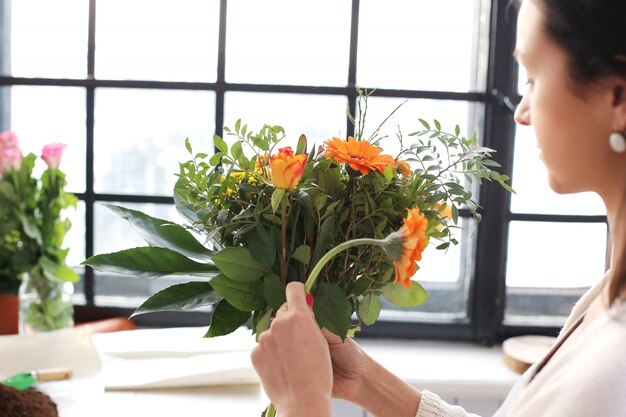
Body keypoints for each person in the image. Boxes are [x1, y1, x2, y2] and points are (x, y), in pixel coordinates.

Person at [250, 0, 626, 415]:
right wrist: (368, 383)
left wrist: (302, 401)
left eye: (533, 78)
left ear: (618, 97)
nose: (521, 112)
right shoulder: (609, 298)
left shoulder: (616, 361)